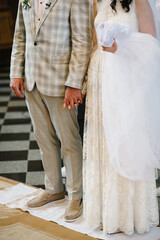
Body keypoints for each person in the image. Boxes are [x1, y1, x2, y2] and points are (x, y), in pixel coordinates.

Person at [10, 0, 93, 222]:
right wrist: (15, 72)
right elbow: (20, 36)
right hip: (32, 79)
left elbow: (82, 41)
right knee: (44, 138)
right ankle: (53, 189)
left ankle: (76, 196)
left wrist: (74, 83)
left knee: (69, 140)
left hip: (60, 81)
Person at [83, 0, 160, 235]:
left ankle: (128, 215)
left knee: (125, 141)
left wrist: (122, 47)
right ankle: (108, 211)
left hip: (126, 80)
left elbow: (152, 45)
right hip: (100, 79)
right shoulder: (98, 0)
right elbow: (95, 42)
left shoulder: (139, 1)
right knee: (103, 144)